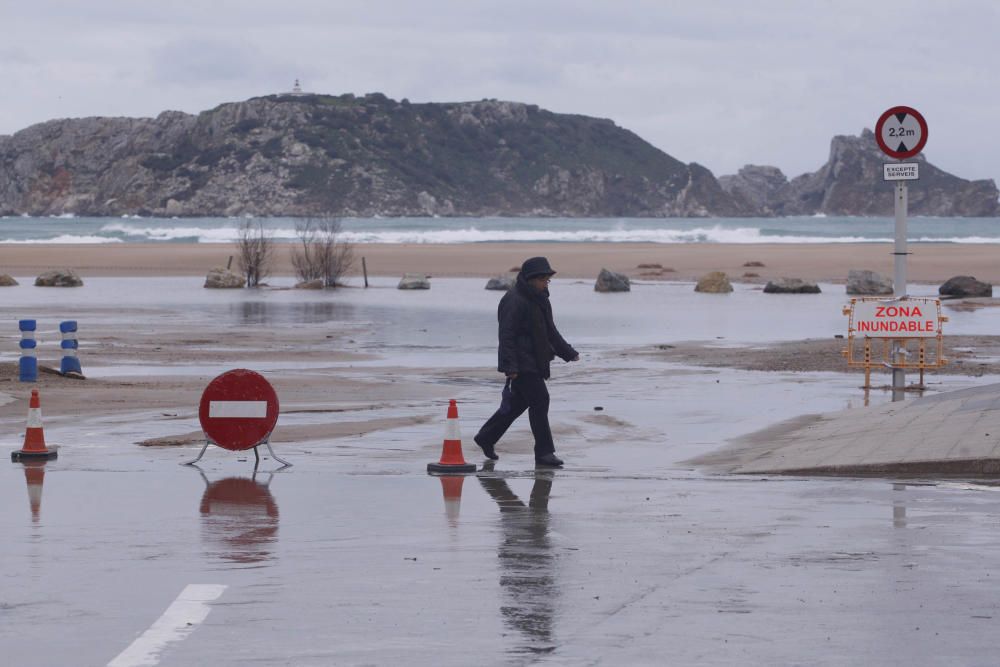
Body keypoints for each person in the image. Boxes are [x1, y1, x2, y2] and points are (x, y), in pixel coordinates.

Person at [474, 256, 579, 467]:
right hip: (522, 364)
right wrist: (509, 366)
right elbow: (506, 335)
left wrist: (568, 352)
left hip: (536, 360)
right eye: (543, 280)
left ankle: (486, 437)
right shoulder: (513, 300)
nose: (546, 283)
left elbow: (550, 331)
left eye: (548, 280)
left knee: (517, 405)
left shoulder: (541, 299)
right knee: (540, 401)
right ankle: (544, 453)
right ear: (531, 279)